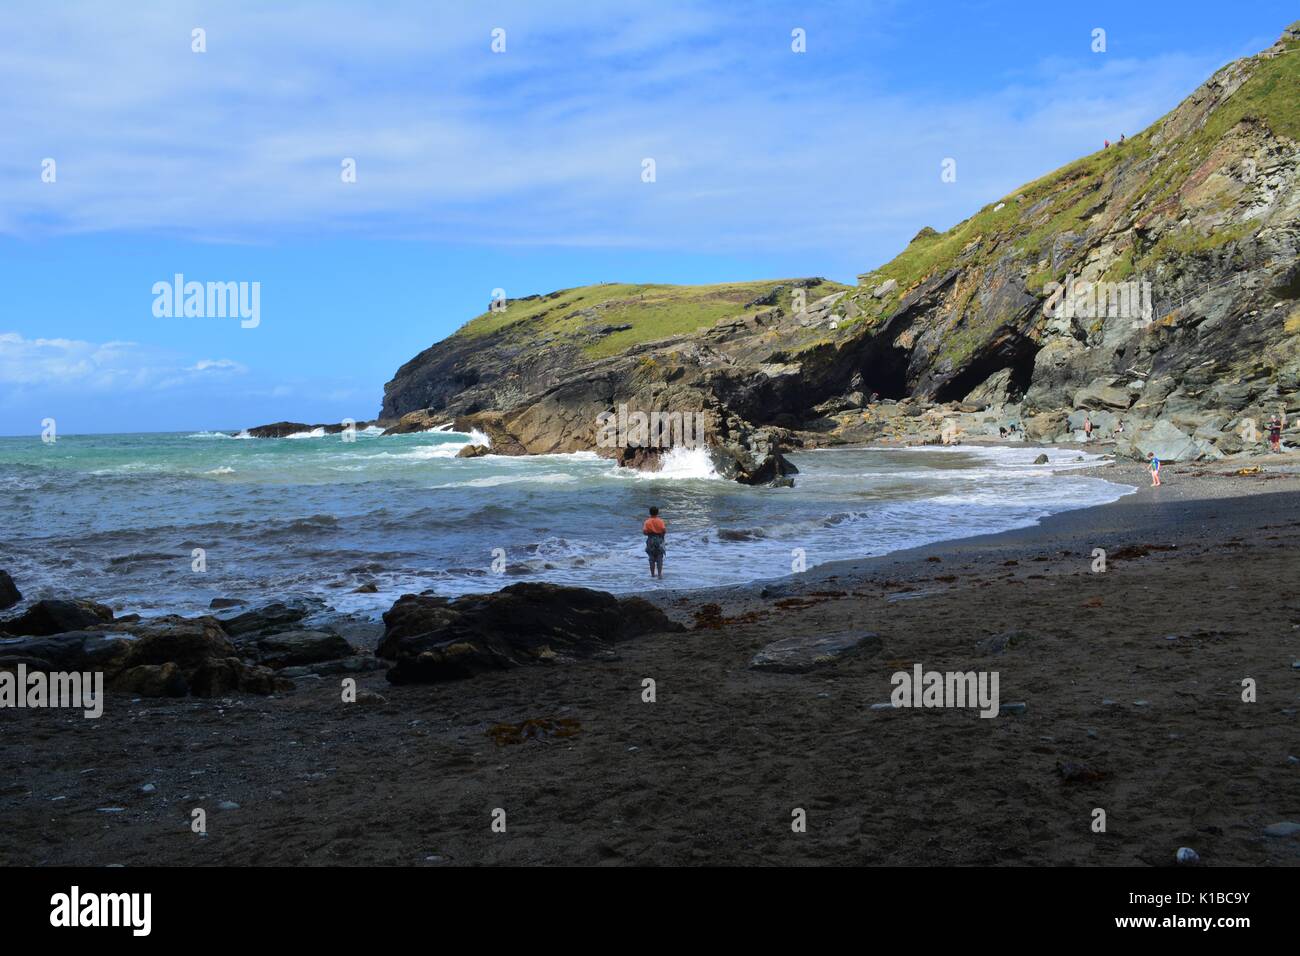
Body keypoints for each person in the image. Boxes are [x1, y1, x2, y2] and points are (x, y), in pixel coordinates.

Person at [643, 506, 666, 578]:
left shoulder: (647, 521)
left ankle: (652, 574)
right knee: (659, 557)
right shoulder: (660, 521)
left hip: (651, 539)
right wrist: (661, 536)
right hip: (659, 539)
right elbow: (664, 530)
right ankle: (659, 574)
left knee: (651, 558)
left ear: (650, 513)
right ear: (657, 512)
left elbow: (644, 532)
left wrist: (649, 533)